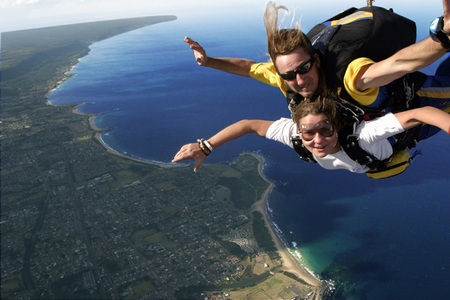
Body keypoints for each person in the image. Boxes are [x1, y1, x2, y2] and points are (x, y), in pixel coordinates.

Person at [185, 1, 450, 113]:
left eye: (304, 68)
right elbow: (248, 67)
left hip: (427, 99)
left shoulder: (350, 76)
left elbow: (400, 63)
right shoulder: (284, 77)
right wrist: (209, 62)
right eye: (289, 75)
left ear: (318, 60)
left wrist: (443, 37)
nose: (299, 80)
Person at [172, 96, 450, 174]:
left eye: (325, 130)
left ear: (336, 127)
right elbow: (247, 125)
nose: (317, 140)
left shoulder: (364, 136)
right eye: (309, 134)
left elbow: (420, 114)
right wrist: (205, 146)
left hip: (418, 131)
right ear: (299, 132)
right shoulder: (293, 135)